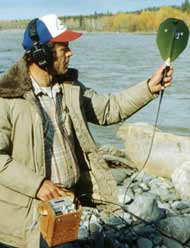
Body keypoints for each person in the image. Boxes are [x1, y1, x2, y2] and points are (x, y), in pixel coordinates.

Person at [0, 14, 173, 248]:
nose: (70, 53)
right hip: (26, 214)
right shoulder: (8, 98)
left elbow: (109, 109)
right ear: (41, 54)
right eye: (64, 48)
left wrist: (148, 88)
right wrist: (38, 185)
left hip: (65, 205)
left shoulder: (70, 88)